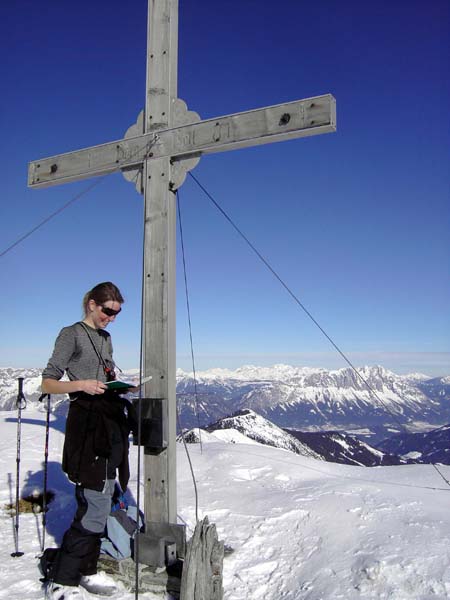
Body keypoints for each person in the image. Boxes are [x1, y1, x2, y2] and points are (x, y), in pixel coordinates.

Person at [40, 282, 135, 599]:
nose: (112, 318)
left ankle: (87, 569)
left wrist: (118, 387)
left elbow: (104, 378)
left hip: (108, 423)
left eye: (117, 313)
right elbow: (49, 382)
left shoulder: (105, 338)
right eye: (108, 311)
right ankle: (62, 579)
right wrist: (83, 385)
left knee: (104, 497)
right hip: (87, 425)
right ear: (92, 304)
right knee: (94, 504)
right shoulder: (72, 334)